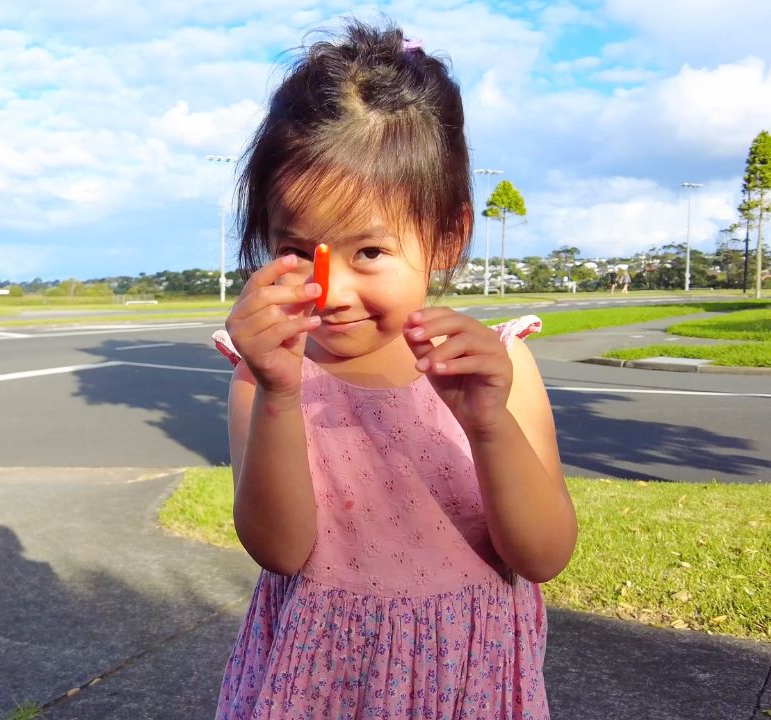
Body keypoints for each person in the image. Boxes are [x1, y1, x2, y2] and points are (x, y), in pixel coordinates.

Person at [212, 20, 577, 720]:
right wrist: (281, 396)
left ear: (448, 235)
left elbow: (543, 555)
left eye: (369, 252)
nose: (334, 290)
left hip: (464, 682)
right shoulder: (264, 377)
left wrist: (490, 426)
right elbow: (281, 552)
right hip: (317, 684)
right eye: (299, 250)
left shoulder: (499, 367)